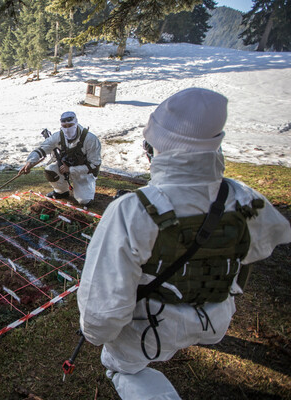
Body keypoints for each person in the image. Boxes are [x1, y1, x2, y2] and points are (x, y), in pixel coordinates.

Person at [77, 88, 291, 399]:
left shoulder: (132, 211)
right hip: (215, 319)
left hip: (148, 332)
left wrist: (95, 334)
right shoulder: (246, 198)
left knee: (120, 366)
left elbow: (102, 312)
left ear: (157, 145)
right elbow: (256, 251)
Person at [19, 111, 101, 207]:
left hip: (84, 173)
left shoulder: (90, 139)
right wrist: (30, 162)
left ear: (76, 124)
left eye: (70, 125)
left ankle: (85, 189)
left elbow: (94, 165)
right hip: (63, 168)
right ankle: (61, 191)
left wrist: (71, 169)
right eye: (64, 126)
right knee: (50, 170)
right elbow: (42, 149)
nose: (67, 129)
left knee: (84, 201)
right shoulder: (58, 136)